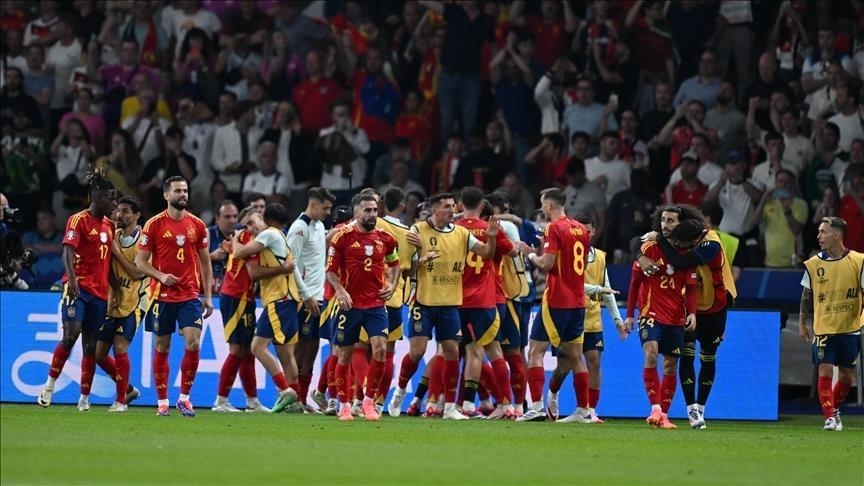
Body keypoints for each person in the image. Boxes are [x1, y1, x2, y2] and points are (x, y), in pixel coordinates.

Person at [386, 192, 500, 419]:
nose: (452, 210)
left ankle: (449, 408)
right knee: (417, 352)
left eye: (453, 205)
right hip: (423, 302)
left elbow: (487, 253)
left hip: (450, 304)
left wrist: (492, 238)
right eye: (447, 206)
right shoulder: (417, 230)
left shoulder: (461, 233)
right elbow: (406, 270)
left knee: (451, 352)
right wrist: (421, 258)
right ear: (434, 209)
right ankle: (399, 392)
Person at [37, 169, 138, 410]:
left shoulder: (108, 226)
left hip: (100, 295)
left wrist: (115, 288)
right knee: (70, 337)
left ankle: (84, 399)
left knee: (90, 347)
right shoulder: (78, 220)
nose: (114, 205)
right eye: (111, 199)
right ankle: (49, 386)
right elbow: (67, 251)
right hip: (78, 289)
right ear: (97, 198)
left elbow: (107, 262)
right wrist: (71, 279)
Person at [637, 205, 737, 429]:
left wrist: (660, 240)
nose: (679, 247)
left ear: (694, 240)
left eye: (683, 245)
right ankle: (692, 410)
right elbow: (636, 241)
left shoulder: (711, 244)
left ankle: (701, 406)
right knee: (686, 357)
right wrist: (640, 255)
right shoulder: (684, 237)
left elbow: (681, 262)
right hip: (688, 309)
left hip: (714, 309)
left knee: (708, 358)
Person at [135, 176, 214, 417]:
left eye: (185, 190)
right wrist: (160, 276)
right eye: (178, 191)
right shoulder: (154, 224)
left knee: (193, 343)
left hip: (189, 294)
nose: (183, 194)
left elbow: (205, 263)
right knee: (162, 345)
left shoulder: (197, 225)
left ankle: (184, 399)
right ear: (166, 195)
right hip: (161, 296)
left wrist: (208, 296)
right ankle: (162, 402)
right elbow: (140, 262)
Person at [514, 188, 590, 422]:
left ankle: (536, 407)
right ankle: (583, 410)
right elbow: (576, 261)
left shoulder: (553, 228)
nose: (541, 208)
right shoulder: (580, 229)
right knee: (576, 356)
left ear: (549, 205)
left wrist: (529, 255)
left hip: (557, 299)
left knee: (535, 350)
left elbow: (547, 264)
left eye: (542, 204)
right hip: (577, 299)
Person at [326, 193, 401, 421]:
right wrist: (340, 291)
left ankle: (368, 402)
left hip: (376, 304)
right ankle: (344, 406)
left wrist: (392, 284)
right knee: (344, 355)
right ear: (356, 212)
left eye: (375, 210)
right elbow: (330, 272)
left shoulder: (386, 238)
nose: (372, 214)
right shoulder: (342, 238)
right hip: (350, 305)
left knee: (380, 350)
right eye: (367, 210)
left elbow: (395, 263)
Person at [623, 208, 700, 429]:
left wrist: (692, 313)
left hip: (675, 317)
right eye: (663, 220)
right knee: (650, 353)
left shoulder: (688, 254)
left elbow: (691, 288)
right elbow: (634, 283)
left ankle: (664, 415)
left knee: (670, 365)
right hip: (650, 312)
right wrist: (629, 315)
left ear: (680, 225)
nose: (665, 224)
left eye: (671, 221)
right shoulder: (649, 247)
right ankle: (655, 408)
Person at [546, 214, 622, 423]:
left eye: (588, 232)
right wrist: (597, 289)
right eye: (582, 232)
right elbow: (573, 284)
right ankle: (552, 392)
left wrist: (617, 320)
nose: (585, 235)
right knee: (565, 367)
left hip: (592, 318)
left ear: (594, 232)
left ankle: (589, 410)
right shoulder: (564, 254)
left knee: (594, 362)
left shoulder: (600, 257)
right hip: (569, 314)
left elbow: (607, 289)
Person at [231, 204, 301, 413]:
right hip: (289, 298)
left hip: (279, 299)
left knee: (257, 347)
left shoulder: (269, 234)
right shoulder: (278, 236)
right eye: (246, 226)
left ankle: (285, 390)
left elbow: (240, 254)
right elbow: (291, 268)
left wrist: (235, 240)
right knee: (285, 354)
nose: (249, 228)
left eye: (252, 222)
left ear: (263, 219)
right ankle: (296, 402)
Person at [454, 186, 516, 417]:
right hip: (484, 299)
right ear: (482, 205)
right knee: (494, 351)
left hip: (457, 300)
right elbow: (512, 252)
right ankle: (506, 405)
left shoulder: (453, 229)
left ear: (460, 205)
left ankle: (463, 404)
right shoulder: (491, 228)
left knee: (467, 352)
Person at [799, 217, 863, 431]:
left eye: (823, 232)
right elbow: (806, 295)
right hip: (824, 327)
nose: (819, 236)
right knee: (825, 369)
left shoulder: (858, 261)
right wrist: (802, 323)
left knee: (846, 377)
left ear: (836, 235)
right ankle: (829, 418)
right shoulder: (814, 264)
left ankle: (834, 411)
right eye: (819, 232)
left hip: (850, 327)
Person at [212, 205, 269, 413]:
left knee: (247, 350)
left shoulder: (248, 238)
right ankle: (221, 401)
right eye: (250, 222)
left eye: (257, 220)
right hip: (235, 296)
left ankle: (252, 401)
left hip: (245, 297)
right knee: (237, 349)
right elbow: (252, 270)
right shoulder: (246, 238)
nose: (254, 225)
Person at [95, 196, 145, 412]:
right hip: (113, 300)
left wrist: (115, 251)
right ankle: (129, 389)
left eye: (125, 211)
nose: (119, 215)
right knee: (98, 354)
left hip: (135, 301)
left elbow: (136, 273)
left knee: (120, 346)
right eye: (118, 210)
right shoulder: (112, 236)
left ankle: (120, 401)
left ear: (136, 215)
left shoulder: (144, 240)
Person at [287, 187, 334, 412]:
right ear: (313, 205)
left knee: (312, 347)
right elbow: (291, 264)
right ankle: (291, 398)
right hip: (303, 299)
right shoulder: (299, 228)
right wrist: (305, 295)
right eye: (325, 208)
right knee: (300, 348)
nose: (328, 212)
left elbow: (317, 256)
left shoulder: (319, 226)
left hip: (319, 297)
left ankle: (303, 399)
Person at [208, 200, 239, 296]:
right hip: (211, 292)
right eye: (227, 217)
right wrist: (212, 256)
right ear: (217, 218)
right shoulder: (207, 234)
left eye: (235, 216)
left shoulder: (242, 235)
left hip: (235, 292)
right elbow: (191, 263)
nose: (232, 221)